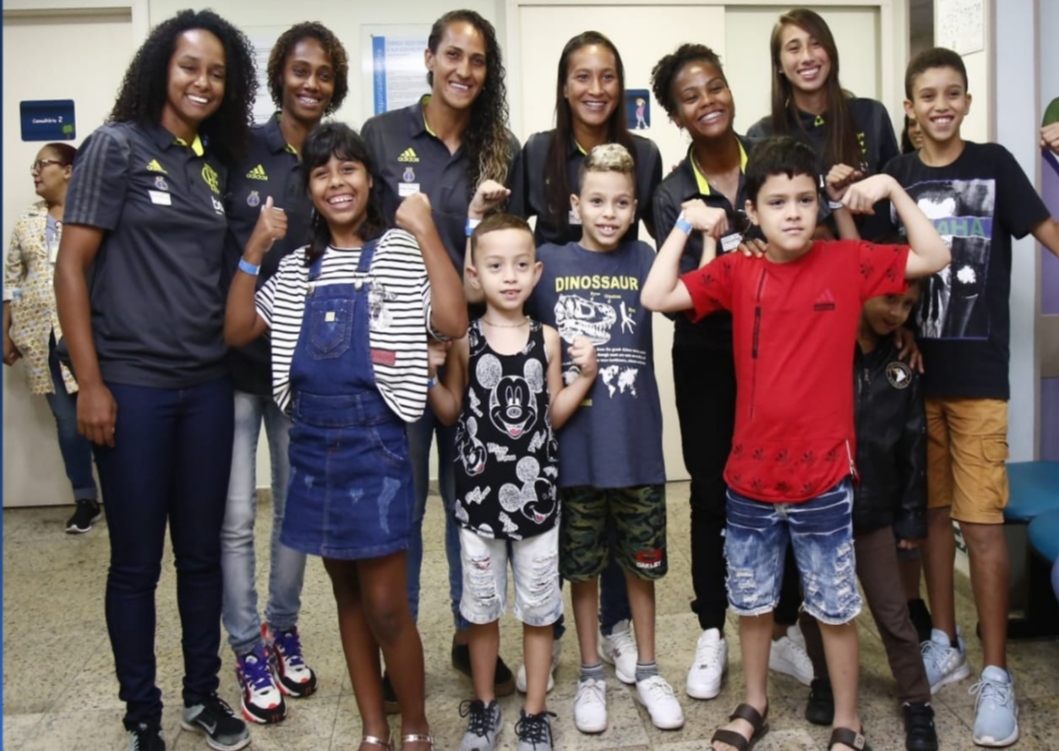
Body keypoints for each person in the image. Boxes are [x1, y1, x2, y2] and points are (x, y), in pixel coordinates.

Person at [641, 135, 950, 751]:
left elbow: (934, 254)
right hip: (749, 478)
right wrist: (683, 222)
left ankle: (848, 720)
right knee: (752, 605)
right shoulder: (736, 269)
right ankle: (753, 704)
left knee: (834, 608)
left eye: (805, 200)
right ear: (751, 211)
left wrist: (889, 187)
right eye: (777, 201)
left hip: (824, 478)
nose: (793, 212)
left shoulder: (847, 260)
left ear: (818, 205)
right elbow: (655, 296)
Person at [224, 122, 467, 751]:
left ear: (369, 179)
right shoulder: (299, 266)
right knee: (347, 597)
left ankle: (414, 727)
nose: (337, 182)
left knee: (386, 604)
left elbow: (451, 317)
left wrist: (426, 230)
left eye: (349, 168)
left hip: (378, 445)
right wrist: (254, 248)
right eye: (322, 172)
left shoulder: (396, 250)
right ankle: (372, 728)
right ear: (310, 188)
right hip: (311, 448)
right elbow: (237, 329)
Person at [53, 10, 257, 751]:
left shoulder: (211, 163)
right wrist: (90, 383)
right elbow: (71, 268)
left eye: (216, 72)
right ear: (159, 70)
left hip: (204, 385)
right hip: (131, 388)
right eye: (188, 67)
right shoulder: (114, 146)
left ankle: (201, 695)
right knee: (136, 562)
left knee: (201, 553)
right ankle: (141, 710)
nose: (202, 82)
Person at [881, 47, 1059, 748]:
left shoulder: (994, 165)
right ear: (908, 107)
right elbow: (868, 268)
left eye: (952, 93)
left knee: (980, 525)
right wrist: (888, 324)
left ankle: (995, 673)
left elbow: (1049, 235)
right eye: (928, 95)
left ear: (965, 100)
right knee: (928, 518)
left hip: (979, 380)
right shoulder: (897, 175)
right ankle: (945, 641)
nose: (941, 105)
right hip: (913, 381)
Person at [361, 8, 520, 701]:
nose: (463, 70)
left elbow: (505, 251)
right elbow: (364, 242)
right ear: (428, 58)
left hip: (472, 353)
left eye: (477, 60)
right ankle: (400, 651)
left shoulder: (499, 147)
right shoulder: (382, 135)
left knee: (469, 508)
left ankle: (468, 635)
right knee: (399, 512)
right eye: (452, 55)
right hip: (401, 353)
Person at [648, 42, 813, 701]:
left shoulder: (770, 160)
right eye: (690, 96)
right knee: (712, 490)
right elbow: (679, 297)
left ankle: (786, 626)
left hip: (780, 352)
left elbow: (805, 243)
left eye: (713, 86)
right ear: (676, 114)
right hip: (708, 358)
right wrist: (723, 248)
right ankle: (713, 627)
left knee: (787, 487)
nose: (706, 101)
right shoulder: (668, 193)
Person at [506, 28, 663, 694]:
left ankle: (625, 641)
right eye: (581, 75)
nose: (594, 88)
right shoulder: (537, 153)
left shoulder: (645, 161)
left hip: (628, 425)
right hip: (560, 390)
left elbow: (665, 259)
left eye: (607, 76)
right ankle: (569, 648)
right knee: (572, 538)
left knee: (630, 535)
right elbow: (507, 260)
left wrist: (695, 228)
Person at [427, 211, 596, 751]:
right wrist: (427, 375)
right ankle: (482, 709)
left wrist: (585, 377)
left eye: (521, 265)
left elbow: (550, 412)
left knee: (540, 613)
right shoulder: (463, 341)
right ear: (473, 274)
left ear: (537, 272)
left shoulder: (547, 340)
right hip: (477, 508)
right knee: (481, 613)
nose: (509, 275)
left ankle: (534, 714)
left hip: (537, 506)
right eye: (496, 265)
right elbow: (452, 412)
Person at [220, 21, 349, 725]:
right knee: (237, 516)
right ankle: (245, 645)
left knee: (298, 516)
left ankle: (281, 626)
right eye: (300, 70)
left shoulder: (335, 155)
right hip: (235, 364)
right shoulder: (241, 149)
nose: (310, 83)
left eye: (323, 73)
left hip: (303, 372)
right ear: (279, 75)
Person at [530, 144, 684, 734]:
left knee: (642, 569)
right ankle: (591, 672)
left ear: (635, 206)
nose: (609, 212)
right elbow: (500, 292)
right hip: (576, 455)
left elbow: (693, 292)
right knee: (584, 570)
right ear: (575, 204)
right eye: (596, 200)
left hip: (638, 451)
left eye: (622, 202)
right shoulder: (548, 261)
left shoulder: (646, 257)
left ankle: (647, 669)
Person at [798, 275, 939, 751]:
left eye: (908, 306)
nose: (897, 312)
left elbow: (914, 447)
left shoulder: (902, 368)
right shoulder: (821, 347)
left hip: (874, 514)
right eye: (889, 299)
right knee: (816, 608)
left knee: (894, 615)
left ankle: (917, 703)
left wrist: (911, 518)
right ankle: (823, 680)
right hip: (819, 509)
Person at [4, 142, 102, 534]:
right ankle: (85, 498)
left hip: (91, 334)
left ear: (69, 170)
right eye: (33, 166)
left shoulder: (93, 217)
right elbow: (11, 281)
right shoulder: (26, 223)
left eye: (42, 164)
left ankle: (127, 491)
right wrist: (5, 332)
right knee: (67, 422)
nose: (34, 172)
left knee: (106, 416)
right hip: (40, 335)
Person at [748, 8, 899, 238]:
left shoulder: (871, 114)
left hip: (879, 258)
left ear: (831, 53)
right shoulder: (763, 133)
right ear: (779, 63)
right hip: (803, 266)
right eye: (794, 48)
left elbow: (898, 194)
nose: (807, 57)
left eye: (816, 44)